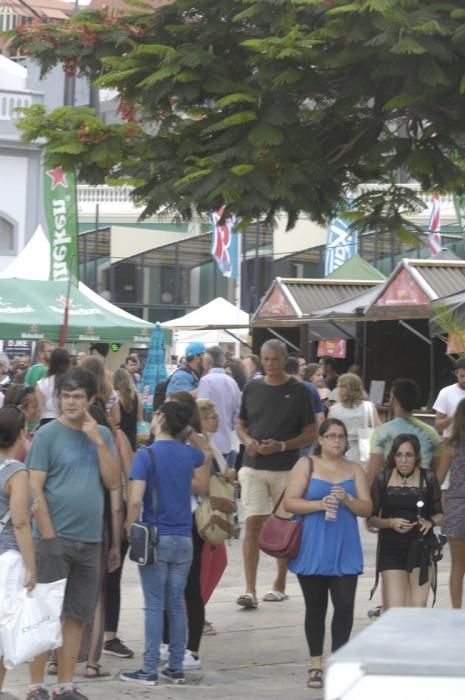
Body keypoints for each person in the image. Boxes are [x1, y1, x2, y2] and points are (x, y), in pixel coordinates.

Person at [26, 368, 120, 700]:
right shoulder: (48, 434)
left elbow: (112, 482)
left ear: (90, 399)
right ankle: (37, 684)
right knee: (44, 614)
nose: (70, 402)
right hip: (54, 539)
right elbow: (34, 486)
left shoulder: (104, 436)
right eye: (66, 396)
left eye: (77, 396)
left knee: (77, 614)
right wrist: (48, 535)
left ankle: (65, 683)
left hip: (90, 539)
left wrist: (97, 441)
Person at [120, 401, 209, 686]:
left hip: (155, 536)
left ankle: (148, 669)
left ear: (160, 421)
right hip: (184, 538)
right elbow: (206, 455)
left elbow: (135, 499)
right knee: (176, 603)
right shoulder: (188, 454)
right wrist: (190, 431)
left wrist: (128, 526)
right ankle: (175, 667)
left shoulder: (145, 456)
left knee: (154, 605)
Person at [283, 418, 372, 690]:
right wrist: (319, 504)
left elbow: (367, 508)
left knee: (345, 607)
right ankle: (315, 663)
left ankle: (338, 662)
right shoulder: (306, 465)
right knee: (316, 608)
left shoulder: (354, 468)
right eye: (331, 436)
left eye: (341, 436)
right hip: (313, 545)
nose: (337, 441)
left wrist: (348, 500)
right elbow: (290, 502)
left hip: (344, 546)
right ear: (320, 439)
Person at [236, 339, 316, 608]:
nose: (270, 364)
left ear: (285, 360)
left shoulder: (300, 391)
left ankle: (280, 583)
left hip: (286, 467)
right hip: (253, 465)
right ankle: (249, 589)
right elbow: (241, 424)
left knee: (282, 525)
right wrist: (247, 441)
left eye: (275, 359)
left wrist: (282, 445)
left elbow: (311, 432)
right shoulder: (252, 387)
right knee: (253, 523)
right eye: (265, 359)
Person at [368, 434, 443, 610]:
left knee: (417, 608)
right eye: (399, 455)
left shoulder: (428, 478)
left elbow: (440, 514)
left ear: (416, 456)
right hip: (391, 549)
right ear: (393, 456)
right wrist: (390, 523)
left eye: (408, 455)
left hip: (421, 547)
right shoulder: (382, 479)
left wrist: (430, 522)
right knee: (395, 610)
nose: (403, 460)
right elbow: (371, 519)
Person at [0, 405, 37, 700]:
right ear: (22, 434)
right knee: (3, 630)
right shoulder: (16, 472)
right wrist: (33, 566)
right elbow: (21, 523)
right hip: (7, 559)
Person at [366, 379, 441, 485]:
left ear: (395, 400)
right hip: (421, 493)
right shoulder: (432, 433)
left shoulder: (381, 432)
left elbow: (372, 475)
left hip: (390, 493)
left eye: (390, 396)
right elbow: (435, 470)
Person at [436, 398, 465, 608]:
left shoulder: (450, 446)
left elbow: (438, 480)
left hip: (456, 506)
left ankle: (456, 612)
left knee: (457, 566)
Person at [197, 346, 241, 465]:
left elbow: (201, 409)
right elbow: (237, 413)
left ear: (208, 361)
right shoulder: (232, 382)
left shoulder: (206, 381)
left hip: (211, 442)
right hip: (229, 441)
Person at [329, 373, 380, 463]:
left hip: (340, 449)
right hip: (364, 450)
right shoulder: (369, 407)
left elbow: (329, 433)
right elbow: (378, 430)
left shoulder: (334, 410)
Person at [81, 356, 120, 431]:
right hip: (104, 430)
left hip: (82, 429)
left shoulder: (79, 389)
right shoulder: (110, 391)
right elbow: (117, 418)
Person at [285, 357, 324, 428]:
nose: (305, 367)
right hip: (307, 432)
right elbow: (320, 416)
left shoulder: (279, 388)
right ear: (297, 369)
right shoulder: (311, 387)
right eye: (302, 365)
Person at [36, 348, 70, 426]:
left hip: (46, 421)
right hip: (66, 420)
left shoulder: (42, 383)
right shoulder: (71, 381)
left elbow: (38, 409)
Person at [113, 367, 143, 452]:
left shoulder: (114, 396)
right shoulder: (136, 395)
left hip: (119, 436)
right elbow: (140, 419)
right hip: (133, 436)